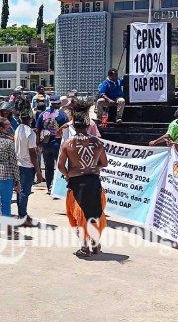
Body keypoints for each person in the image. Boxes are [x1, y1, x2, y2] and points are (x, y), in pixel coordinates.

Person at [57, 99, 108, 257]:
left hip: (76, 183)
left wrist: (68, 174)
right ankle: (96, 243)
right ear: (88, 126)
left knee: (80, 215)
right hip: (93, 181)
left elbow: (60, 166)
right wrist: (92, 168)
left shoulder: (67, 144)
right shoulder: (97, 143)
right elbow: (104, 163)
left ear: (73, 126)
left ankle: (85, 247)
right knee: (95, 212)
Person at [35, 95, 68, 195]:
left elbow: (37, 129)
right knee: (60, 167)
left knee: (48, 167)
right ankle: (59, 189)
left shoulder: (43, 114)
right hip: (58, 144)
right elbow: (67, 130)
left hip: (45, 145)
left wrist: (38, 144)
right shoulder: (63, 115)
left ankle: (49, 187)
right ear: (58, 104)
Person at [14, 112, 38, 226]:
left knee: (20, 191)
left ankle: (22, 214)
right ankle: (22, 217)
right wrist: (38, 171)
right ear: (31, 119)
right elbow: (33, 153)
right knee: (24, 192)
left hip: (18, 164)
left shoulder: (18, 128)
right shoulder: (31, 133)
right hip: (27, 166)